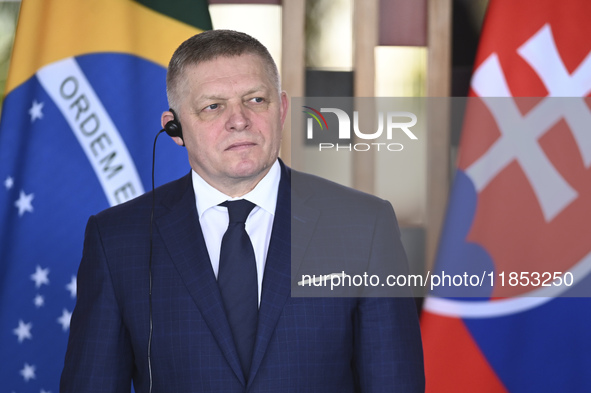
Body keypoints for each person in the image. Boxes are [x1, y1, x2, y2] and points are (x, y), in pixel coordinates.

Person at [60, 30, 425, 392]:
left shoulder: (364, 225)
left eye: (255, 100)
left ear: (281, 109)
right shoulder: (117, 238)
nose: (239, 120)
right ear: (174, 127)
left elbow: (395, 382)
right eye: (213, 106)